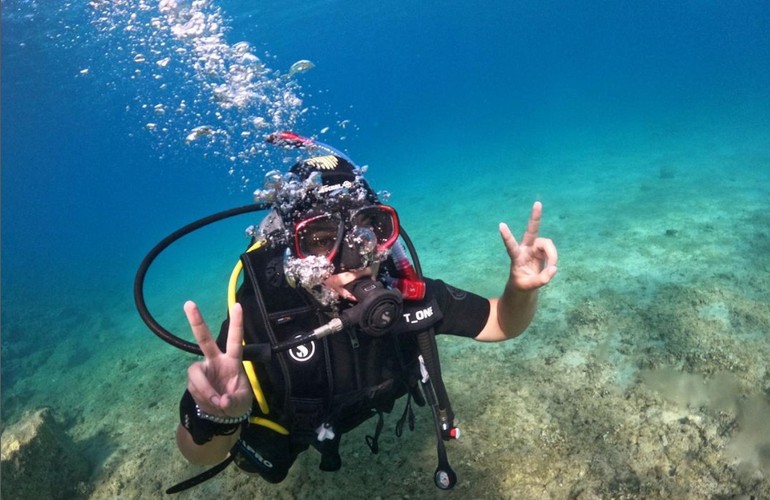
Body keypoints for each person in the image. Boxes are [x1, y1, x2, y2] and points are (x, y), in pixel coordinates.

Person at [172, 143, 558, 491]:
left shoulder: (406, 295)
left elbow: (502, 322)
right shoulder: (259, 324)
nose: (353, 257)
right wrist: (214, 417)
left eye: (366, 232)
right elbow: (200, 454)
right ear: (292, 248)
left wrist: (520, 290)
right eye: (320, 240)